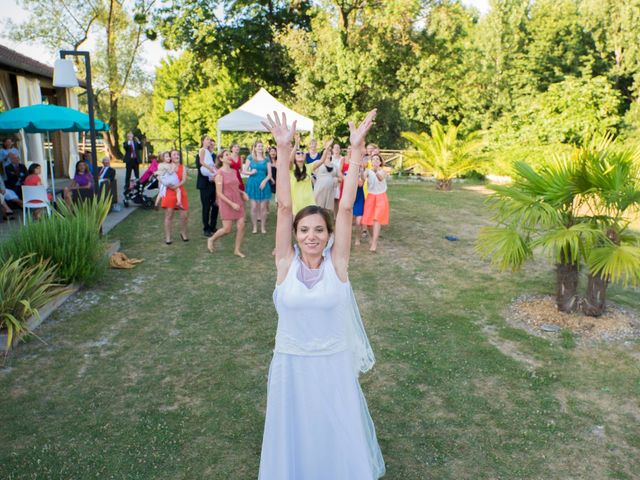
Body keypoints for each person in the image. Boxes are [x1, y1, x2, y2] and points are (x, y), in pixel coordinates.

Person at [258, 110, 385, 480]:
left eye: (318, 230)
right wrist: (284, 152)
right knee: (295, 434)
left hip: (332, 365)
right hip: (291, 365)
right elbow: (283, 207)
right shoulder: (284, 264)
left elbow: (345, 208)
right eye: (304, 230)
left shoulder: (338, 266)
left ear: (328, 236)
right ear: (295, 235)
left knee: (334, 434)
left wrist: (356, 150)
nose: (311, 235)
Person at [206, 149, 248, 257]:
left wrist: (242, 192)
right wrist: (231, 204)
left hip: (237, 201)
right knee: (227, 229)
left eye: (230, 154)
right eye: (226, 155)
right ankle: (211, 239)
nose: (229, 156)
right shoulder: (219, 173)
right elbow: (219, 193)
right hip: (226, 202)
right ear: (221, 159)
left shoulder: (234, 171)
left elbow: (235, 187)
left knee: (241, 225)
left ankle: (237, 250)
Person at [362, 153, 389, 252]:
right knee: (368, 222)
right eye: (373, 159)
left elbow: (380, 178)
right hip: (371, 196)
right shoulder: (368, 171)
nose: (375, 161)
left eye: (377, 159)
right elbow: (362, 179)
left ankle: (374, 243)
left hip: (381, 196)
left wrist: (376, 170)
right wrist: (362, 169)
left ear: (380, 162)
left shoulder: (383, 171)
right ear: (371, 162)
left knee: (376, 219)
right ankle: (372, 238)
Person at [244, 140, 272, 234]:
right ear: (255, 148)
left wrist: (264, 181)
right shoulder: (250, 157)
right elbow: (244, 171)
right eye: (258, 146)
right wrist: (250, 172)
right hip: (253, 184)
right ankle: (255, 227)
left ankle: (263, 227)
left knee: (263, 207)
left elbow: (269, 174)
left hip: (264, 184)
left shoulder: (266, 158)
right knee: (254, 207)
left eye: (261, 146)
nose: (260, 148)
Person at [161, 149, 189, 244]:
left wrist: (176, 186)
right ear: (170, 157)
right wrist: (170, 186)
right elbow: (162, 179)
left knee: (184, 215)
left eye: (178, 154)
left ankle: (183, 233)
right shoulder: (166, 167)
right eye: (174, 154)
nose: (177, 156)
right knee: (169, 215)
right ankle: (168, 237)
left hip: (180, 190)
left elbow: (184, 180)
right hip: (169, 192)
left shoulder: (183, 167)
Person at [196, 141, 219, 237]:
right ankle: (206, 228)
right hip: (205, 184)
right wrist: (210, 176)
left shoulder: (215, 156)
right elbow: (199, 167)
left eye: (213, 144)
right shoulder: (201, 154)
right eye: (210, 144)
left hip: (215, 185)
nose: (212, 146)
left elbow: (217, 167)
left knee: (216, 205)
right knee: (206, 207)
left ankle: (213, 226)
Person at [289, 134, 317, 214]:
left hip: (309, 200)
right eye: (298, 153)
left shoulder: (308, 167)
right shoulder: (292, 168)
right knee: (297, 222)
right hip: (297, 201)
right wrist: (296, 144)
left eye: (302, 153)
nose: (300, 154)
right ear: (294, 156)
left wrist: (327, 148)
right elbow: (290, 160)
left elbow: (321, 161)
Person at [311, 140, 338, 210]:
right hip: (320, 189)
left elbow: (339, 177)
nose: (328, 152)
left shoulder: (334, 166)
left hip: (330, 191)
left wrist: (337, 180)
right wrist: (314, 182)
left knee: (328, 211)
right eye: (326, 151)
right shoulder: (318, 163)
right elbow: (309, 173)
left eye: (329, 151)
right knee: (319, 209)